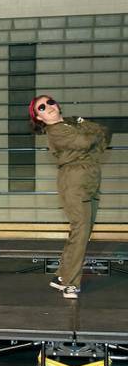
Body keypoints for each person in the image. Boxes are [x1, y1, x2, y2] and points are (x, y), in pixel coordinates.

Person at [29, 95, 111, 299]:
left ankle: (61, 276)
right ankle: (69, 283)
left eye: (50, 102)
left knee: (82, 231)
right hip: (74, 181)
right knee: (80, 231)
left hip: (90, 177)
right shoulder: (56, 131)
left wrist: (87, 131)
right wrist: (88, 130)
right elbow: (86, 141)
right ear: (38, 118)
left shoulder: (71, 123)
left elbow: (106, 133)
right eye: (41, 107)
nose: (48, 107)